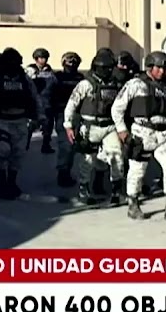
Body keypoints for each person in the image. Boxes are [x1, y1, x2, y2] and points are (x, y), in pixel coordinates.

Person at [111, 51, 166, 221]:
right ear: (150, 67)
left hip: (165, 134)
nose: (162, 71)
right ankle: (133, 204)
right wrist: (122, 130)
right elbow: (117, 108)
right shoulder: (136, 84)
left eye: (165, 68)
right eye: (159, 68)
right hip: (142, 133)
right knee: (137, 171)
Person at [0, 47, 47, 199]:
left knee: (18, 153)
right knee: (3, 150)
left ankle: (11, 182)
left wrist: (41, 117)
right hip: (0, 120)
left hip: (20, 121)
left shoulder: (24, 79)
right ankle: (1, 180)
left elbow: (35, 98)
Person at [63, 51, 127, 205]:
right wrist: (68, 125)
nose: (108, 71)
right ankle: (84, 189)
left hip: (110, 126)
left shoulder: (115, 84)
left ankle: (116, 190)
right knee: (87, 160)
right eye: (105, 68)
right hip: (90, 126)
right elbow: (72, 104)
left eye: (110, 68)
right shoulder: (86, 84)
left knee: (117, 156)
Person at [43, 52, 85, 188]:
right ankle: (63, 173)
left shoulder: (81, 79)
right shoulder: (56, 77)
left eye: (74, 62)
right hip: (62, 114)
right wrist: (48, 111)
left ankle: (67, 171)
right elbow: (47, 94)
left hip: (78, 115)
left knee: (73, 146)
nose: (72, 64)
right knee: (66, 145)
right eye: (69, 61)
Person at [25, 48, 57, 154]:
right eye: (41, 58)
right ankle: (25, 145)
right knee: (30, 126)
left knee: (48, 126)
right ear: (36, 59)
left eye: (45, 58)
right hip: (33, 103)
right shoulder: (29, 71)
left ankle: (46, 145)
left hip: (47, 102)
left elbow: (55, 85)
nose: (43, 60)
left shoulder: (49, 72)